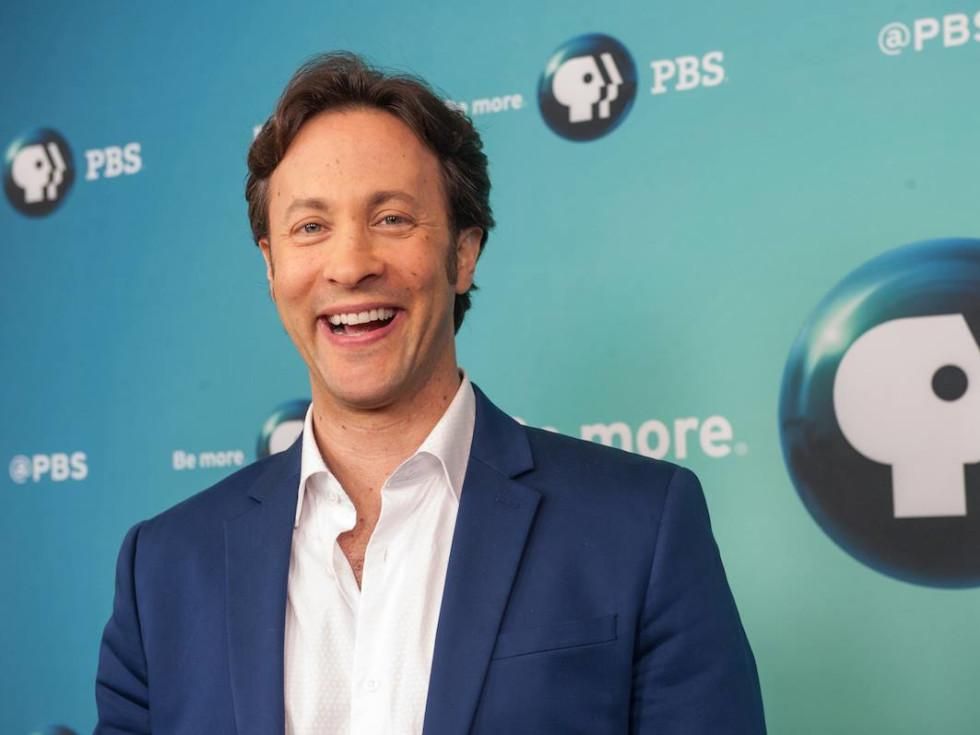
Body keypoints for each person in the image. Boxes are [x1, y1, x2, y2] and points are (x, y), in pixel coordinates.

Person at [95, 52, 766, 735]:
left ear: (463, 253)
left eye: (391, 218)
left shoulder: (640, 527)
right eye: (311, 227)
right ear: (271, 265)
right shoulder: (163, 569)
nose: (350, 265)